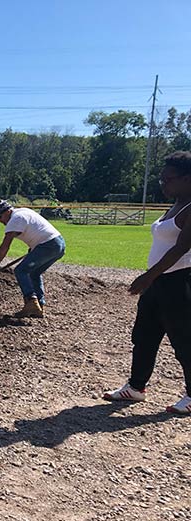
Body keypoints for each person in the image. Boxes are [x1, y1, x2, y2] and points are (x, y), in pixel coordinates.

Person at [104, 151, 191, 415]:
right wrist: (152, 280)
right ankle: (136, 387)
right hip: (158, 283)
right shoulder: (175, 203)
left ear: (187, 179)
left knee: (184, 340)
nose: (163, 184)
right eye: (161, 179)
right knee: (144, 336)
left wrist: (147, 276)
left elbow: (180, 248)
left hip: (178, 282)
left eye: (168, 179)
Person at [0, 200, 66, 318]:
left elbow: (5, 246)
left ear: (8, 211)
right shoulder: (24, 211)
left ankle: (31, 302)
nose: (0, 221)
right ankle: (39, 306)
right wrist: (34, 248)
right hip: (58, 244)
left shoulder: (15, 219)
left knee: (20, 270)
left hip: (48, 245)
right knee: (34, 273)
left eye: (0, 217)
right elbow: (36, 229)